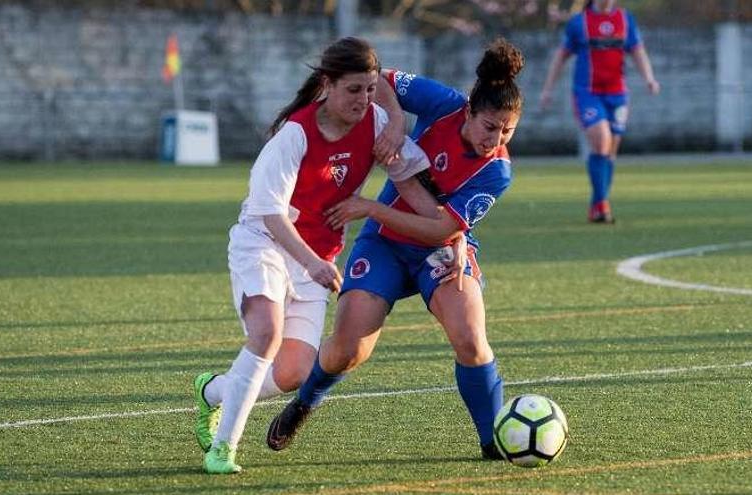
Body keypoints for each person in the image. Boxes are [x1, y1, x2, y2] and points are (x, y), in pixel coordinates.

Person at [266, 38, 525, 461]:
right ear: (470, 112)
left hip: (441, 247)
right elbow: (380, 78)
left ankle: (492, 440)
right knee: (348, 350)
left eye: (508, 131)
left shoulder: (497, 171)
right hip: (384, 245)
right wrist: (395, 126)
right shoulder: (443, 103)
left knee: (470, 338)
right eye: (489, 127)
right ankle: (305, 402)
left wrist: (371, 208)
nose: (495, 139)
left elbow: (440, 229)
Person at [191, 36, 434, 474]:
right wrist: (312, 263)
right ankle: (223, 449)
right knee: (265, 331)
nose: (363, 99)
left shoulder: (377, 123)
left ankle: (212, 392)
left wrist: (451, 232)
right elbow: (270, 215)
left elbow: (412, 183)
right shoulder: (295, 135)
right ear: (327, 84)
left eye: (370, 88)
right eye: (353, 89)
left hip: (316, 260)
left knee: (293, 374)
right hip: (264, 244)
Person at [539, 0, 660, 223]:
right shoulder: (579, 23)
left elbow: (637, 51)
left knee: (610, 152)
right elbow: (561, 56)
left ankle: (599, 204)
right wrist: (547, 89)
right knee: (602, 142)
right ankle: (601, 205)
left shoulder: (624, 19)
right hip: (587, 94)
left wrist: (649, 78)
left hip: (618, 95)